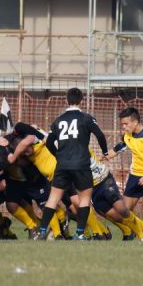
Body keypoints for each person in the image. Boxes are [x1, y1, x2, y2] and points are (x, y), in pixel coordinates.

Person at [38, 87, 109, 240]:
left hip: (63, 164)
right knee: (84, 199)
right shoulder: (86, 118)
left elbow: (49, 142)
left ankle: (42, 230)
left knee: (53, 198)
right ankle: (80, 233)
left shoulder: (58, 120)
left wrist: (58, 155)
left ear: (66, 100)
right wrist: (104, 151)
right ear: (81, 100)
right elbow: (100, 135)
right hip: (82, 164)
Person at [103, 107, 143, 240]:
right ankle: (133, 233)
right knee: (125, 211)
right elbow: (114, 151)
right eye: (122, 124)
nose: (124, 127)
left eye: (126, 124)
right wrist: (95, 158)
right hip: (135, 177)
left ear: (135, 122)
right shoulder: (127, 136)